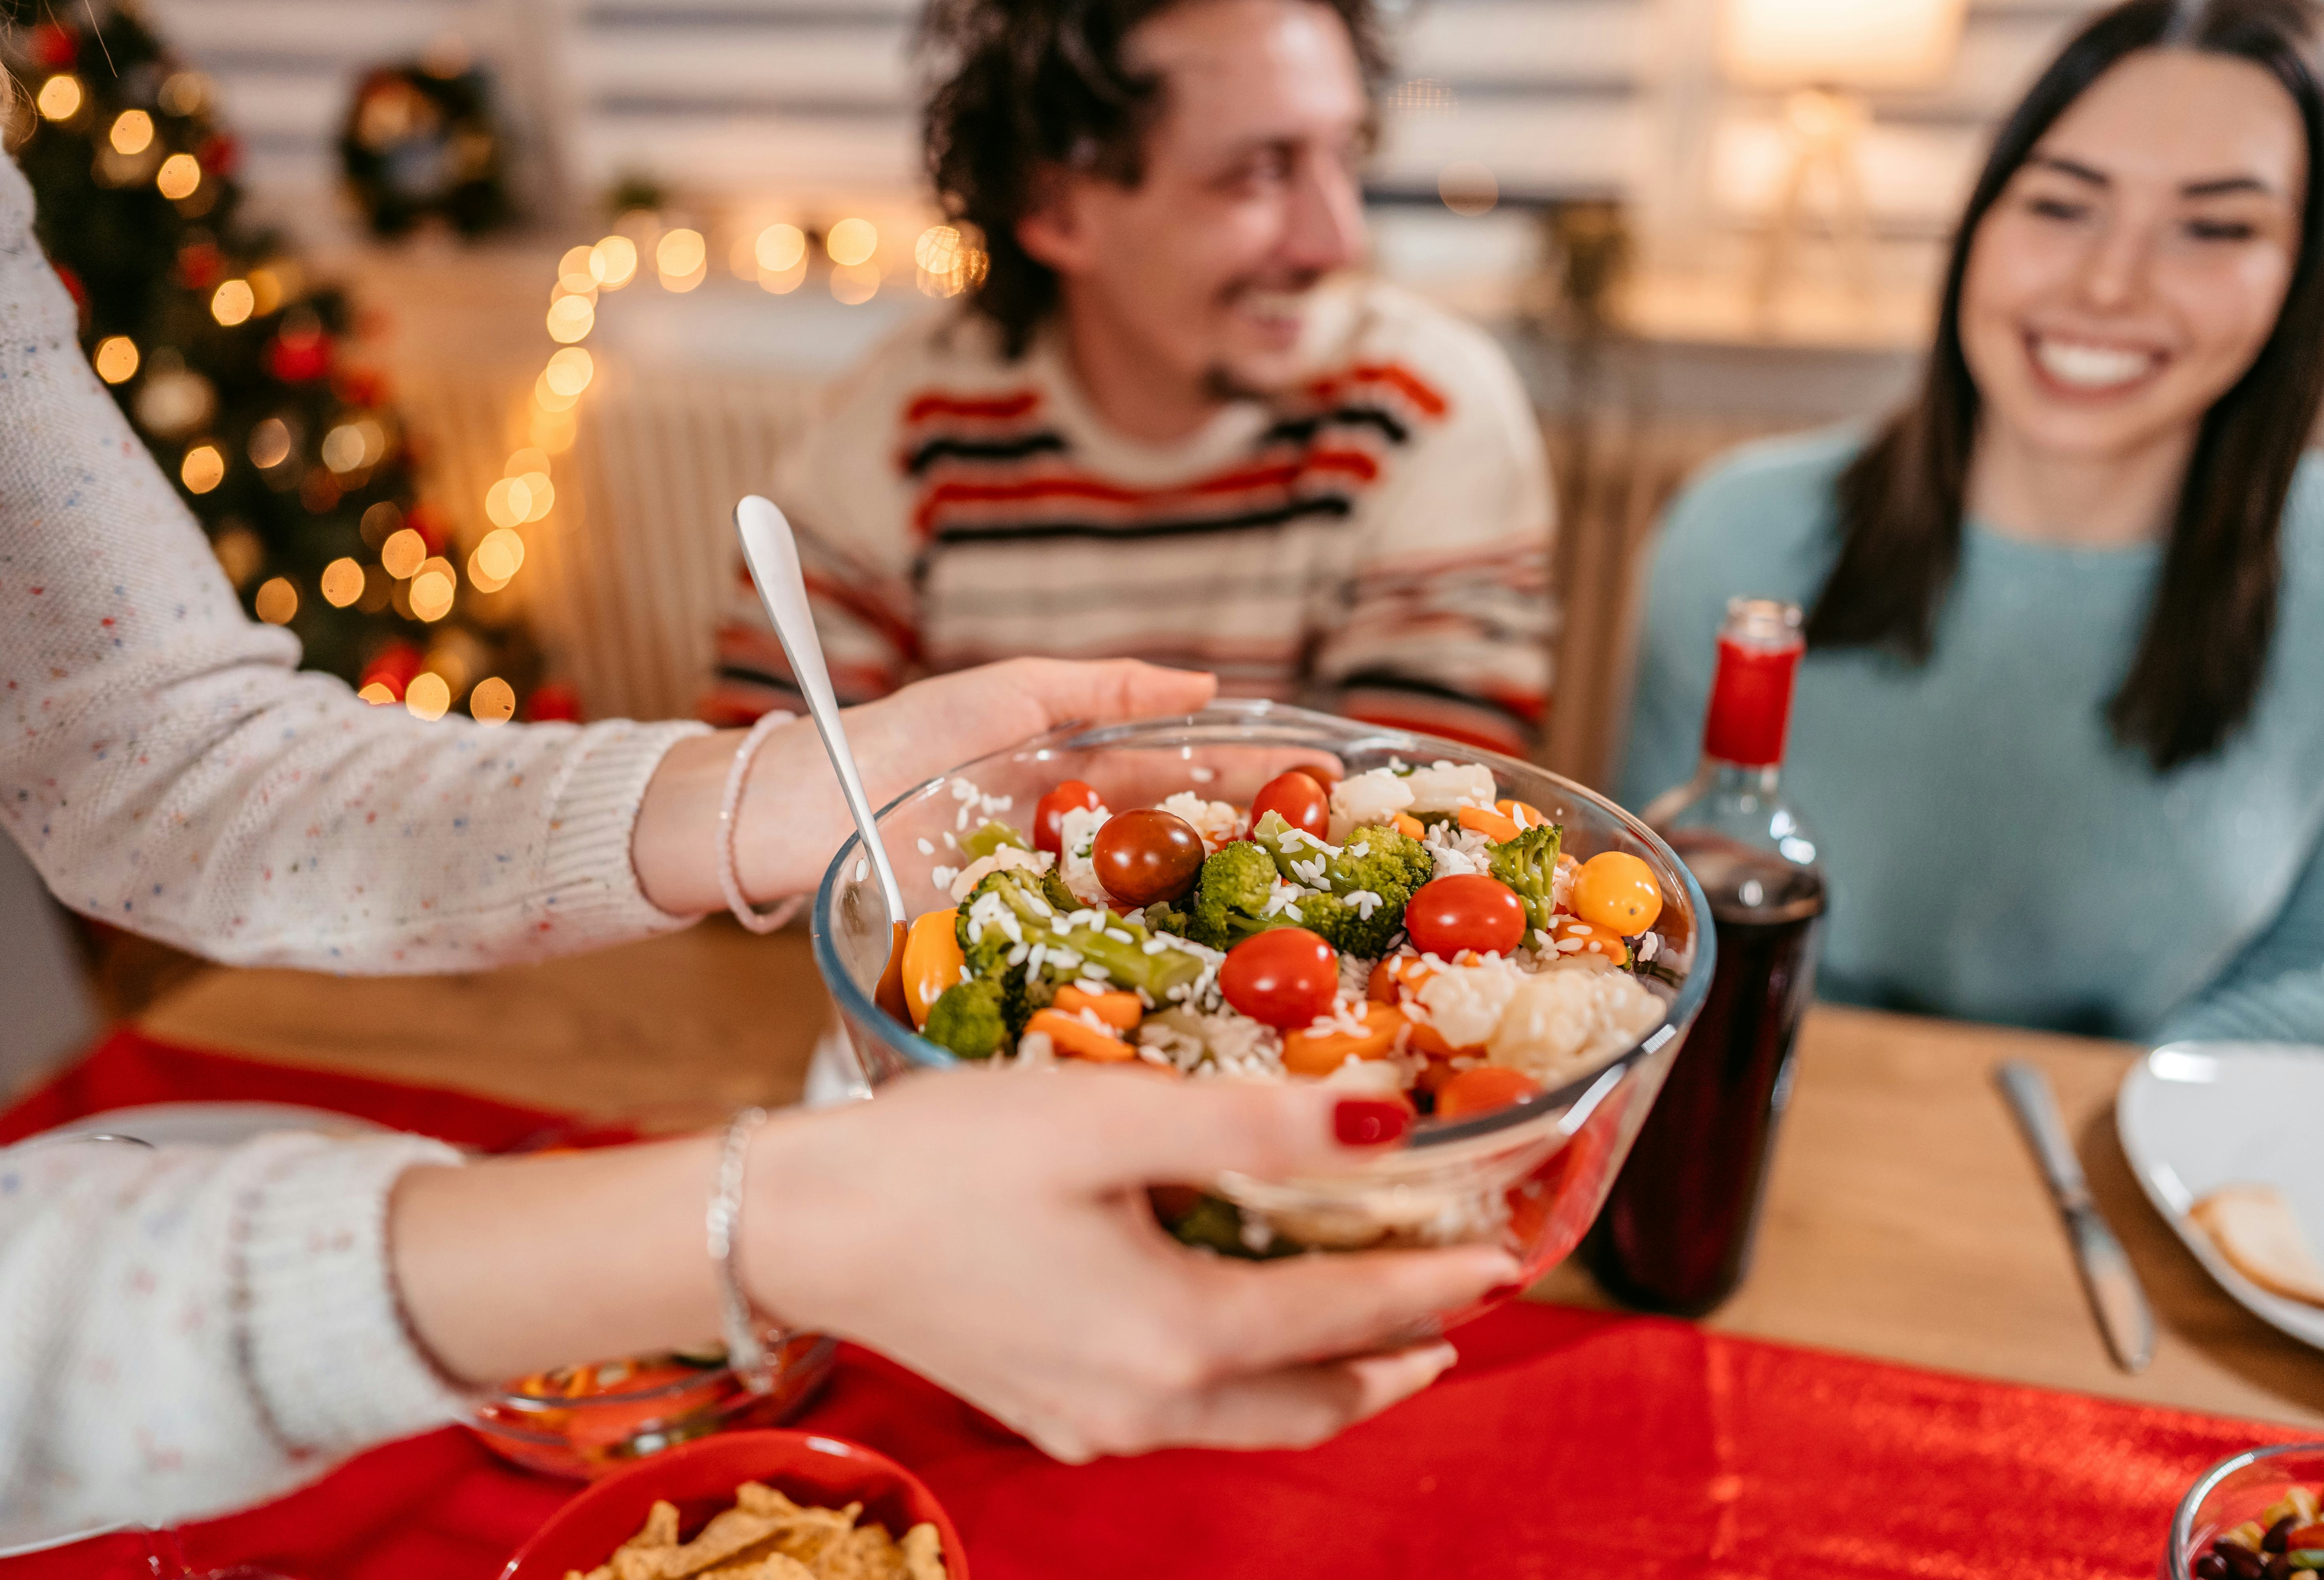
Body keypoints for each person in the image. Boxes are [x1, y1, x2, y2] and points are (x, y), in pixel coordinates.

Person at [0, 148, 1516, 1539]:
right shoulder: (903, 420)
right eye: (1250, 169)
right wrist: (767, 1224)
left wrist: (769, 797)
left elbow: (159, 753)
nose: (1327, 221)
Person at [1622, 0, 2324, 1046]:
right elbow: (1645, 924)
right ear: (1979, 221)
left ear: (2312, 278)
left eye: (2214, 227)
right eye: (2063, 205)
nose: (2108, 284)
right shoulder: (1737, 536)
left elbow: (2323, 969)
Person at [703, 0, 1557, 757]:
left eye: (1345, 153)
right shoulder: (897, 429)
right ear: (1057, 210)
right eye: (1259, 172)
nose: (1336, 240)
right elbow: (771, 796)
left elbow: (1428, 837)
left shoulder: (1427, 410)